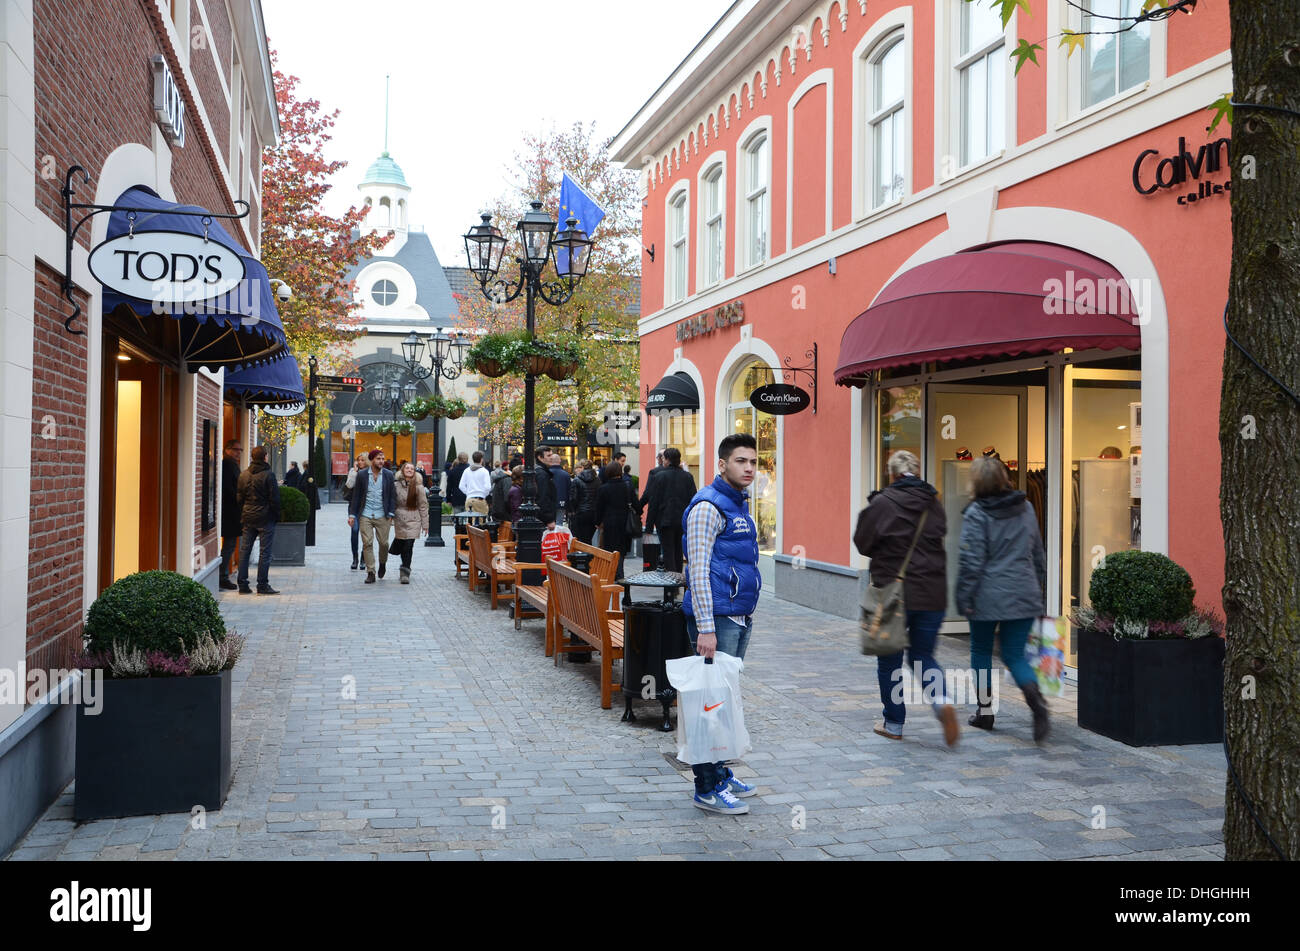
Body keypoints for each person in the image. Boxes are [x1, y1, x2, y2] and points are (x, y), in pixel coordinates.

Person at [853, 450, 957, 746]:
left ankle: (894, 723)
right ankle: (941, 701)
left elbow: (863, 542)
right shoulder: (933, 504)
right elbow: (940, 533)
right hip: (933, 592)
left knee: (889, 660)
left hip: (894, 593)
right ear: (917, 471)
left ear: (892, 474)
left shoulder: (884, 503)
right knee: (924, 656)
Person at [681, 433, 761, 814]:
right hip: (716, 621)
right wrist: (706, 627)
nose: (748, 468)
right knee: (709, 704)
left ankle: (720, 773)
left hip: (737, 617)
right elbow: (697, 571)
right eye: (741, 461)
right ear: (722, 465)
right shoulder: (707, 508)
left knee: (722, 703)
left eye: (753, 462)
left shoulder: (738, 506)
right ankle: (706, 788)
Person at [956, 456, 1051, 742]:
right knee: (1014, 655)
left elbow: (971, 561)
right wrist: (1039, 586)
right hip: (1023, 591)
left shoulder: (976, 513)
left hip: (986, 595)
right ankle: (1038, 705)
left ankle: (985, 713)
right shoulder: (1026, 507)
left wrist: (963, 596)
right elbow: (1037, 552)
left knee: (981, 651)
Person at [235, 446, 280, 595]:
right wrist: (276, 515)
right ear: (265, 457)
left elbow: (239, 498)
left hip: (248, 516)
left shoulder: (243, 475)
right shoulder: (269, 475)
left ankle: (242, 584)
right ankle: (262, 585)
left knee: (245, 550)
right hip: (265, 517)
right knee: (264, 552)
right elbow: (274, 499)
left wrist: (244, 511)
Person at [348, 449, 396, 584]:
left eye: (383, 459)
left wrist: (391, 513)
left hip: (383, 514)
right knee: (367, 543)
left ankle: (382, 563)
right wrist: (352, 514)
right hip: (365, 514)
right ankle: (371, 572)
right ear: (372, 460)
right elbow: (356, 496)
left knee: (384, 543)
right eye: (378, 459)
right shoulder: (362, 475)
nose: (381, 461)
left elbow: (393, 496)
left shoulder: (388, 475)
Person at [645, 448, 697, 573]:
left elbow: (654, 502)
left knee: (668, 552)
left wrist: (649, 526)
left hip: (664, 521)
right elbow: (694, 500)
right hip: (682, 521)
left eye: (663, 458)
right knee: (679, 551)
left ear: (667, 460)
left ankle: (671, 586)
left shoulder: (659, 476)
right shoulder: (688, 477)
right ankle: (678, 578)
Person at [594, 461, 635, 580]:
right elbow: (636, 504)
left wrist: (597, 522)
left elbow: (599, 507)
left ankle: (610, 574)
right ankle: (620, 574)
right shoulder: (627, 486)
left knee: (609, 549)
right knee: (621, 550)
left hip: (609, 523)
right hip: (624, 523)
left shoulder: (603, 488)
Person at [391, 461, 429, 583]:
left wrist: (425, 524)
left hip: (414, 518)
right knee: (402, 544)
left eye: (412, 469)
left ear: (415, 472)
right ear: (402, 470)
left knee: (408, 545)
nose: (409, 470)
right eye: (407, 468)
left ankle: (405, 572)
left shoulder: (419, 487)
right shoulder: (396, 485)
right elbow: (392, 502)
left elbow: (423, 506)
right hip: (400, 519)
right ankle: (403, 565)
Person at [218, 438, 243, 590]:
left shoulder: (232, 465)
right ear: (227, 450)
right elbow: (229, 489)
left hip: (231, 511)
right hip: (230, 512)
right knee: (229, 545)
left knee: (230, 544)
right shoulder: (228, 465)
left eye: (240, 450)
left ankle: (223, 575)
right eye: (235, 449)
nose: (238, 453)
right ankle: (223, 576)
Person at [343, 453, 368, 569]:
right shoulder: (353, 472)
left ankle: (363, 559)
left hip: (366, 507)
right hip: (354, 507)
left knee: (365, 534)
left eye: (363, 460)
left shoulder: (370, 473)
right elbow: (348, 485)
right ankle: (355, 559)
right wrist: (354, 473)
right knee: (355, 531)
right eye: (359, 460)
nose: (360, 462)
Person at [568, 458, 599, 545]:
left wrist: (572, 511)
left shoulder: (577, 480)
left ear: (582, 467)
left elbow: (573, 498)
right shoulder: (598, 480)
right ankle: (588, 556)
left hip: (580, 513)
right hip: (593, 513)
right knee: (588, 539)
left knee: (579, 538)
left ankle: (581, 557)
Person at [459, 450, 492, 515]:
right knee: (480, 522)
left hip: (469, 499)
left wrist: (468, 493)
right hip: (480, 499)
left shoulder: (467, 470)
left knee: (469, 522)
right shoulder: (484, 471)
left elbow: (461, 486)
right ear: (481, 459)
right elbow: (488, 487)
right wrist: (483, 494)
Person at [533, 447, 558, 529]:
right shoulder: (542, 474)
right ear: (540, 457)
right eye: (548, 455)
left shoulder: (540, 471)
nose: (552, 457)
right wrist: (549, 520)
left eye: (552, 454)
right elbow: (543, 497)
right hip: (542, 520)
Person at [548, 452, 572, 523]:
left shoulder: (546, 473)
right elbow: (569, 491)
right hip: (562, 503)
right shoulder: (566, 475)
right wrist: (569, 508)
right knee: (559, 524)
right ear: (559, 461)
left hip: (548, 504)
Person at [488, 460, 512, 524]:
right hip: (503, 512)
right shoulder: (507, 479)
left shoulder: (498, 476)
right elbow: (507, 497)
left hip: (497, 509)